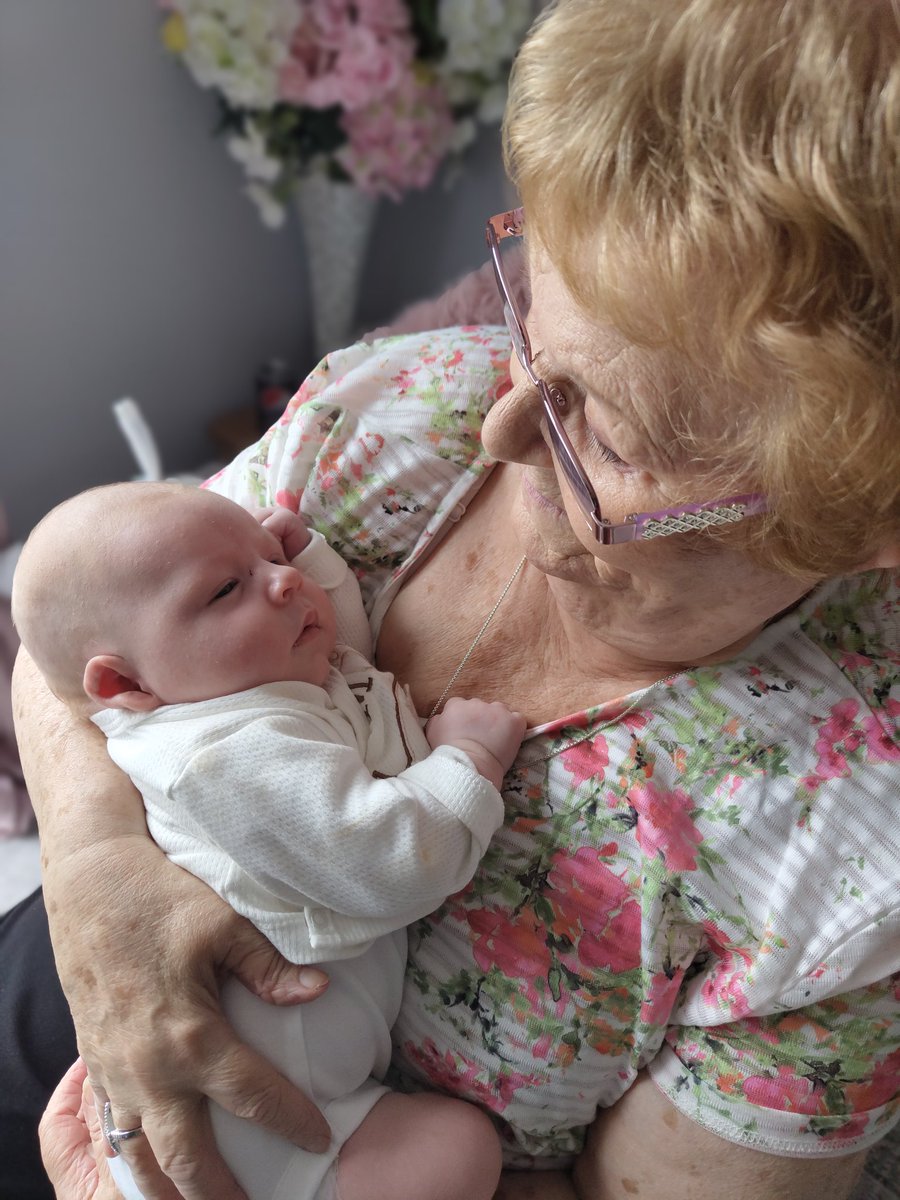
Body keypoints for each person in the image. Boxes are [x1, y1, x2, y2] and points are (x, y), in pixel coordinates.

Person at [6, 0, 899, 1197]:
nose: (496, 422)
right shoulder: (394, 404)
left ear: (859, 514)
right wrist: (94, 868)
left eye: (608, 435)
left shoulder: (843, 874)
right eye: (534, 316)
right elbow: (77, 640)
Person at [11, 480, 524, 1200]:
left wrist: (304, 560)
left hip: (263, 1099)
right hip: (256, 1147)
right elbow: (386, 861)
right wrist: (469, 764)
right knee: (460, 1151)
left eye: (269, 557)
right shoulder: (221, 757)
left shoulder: (230, 686)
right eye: (226, 590)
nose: (285, 583)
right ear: (124, 681)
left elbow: (346, 665)